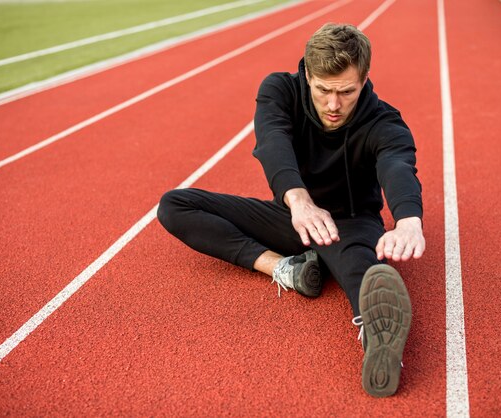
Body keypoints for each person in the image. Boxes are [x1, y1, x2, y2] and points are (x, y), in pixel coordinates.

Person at [157, 23, 425, 398]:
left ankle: (378, 342)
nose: (334, 105)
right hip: (291, 215)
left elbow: (397, 165)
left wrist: (408, 219)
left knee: (366, 273)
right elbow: (273, 140)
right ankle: (286, 268)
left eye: (347, 92)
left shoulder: (384, 122)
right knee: (174, 204)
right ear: (307, 75)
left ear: (364, 80)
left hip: (348, 223)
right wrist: (298, 201)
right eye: (323, 91)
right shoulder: (279, 90)